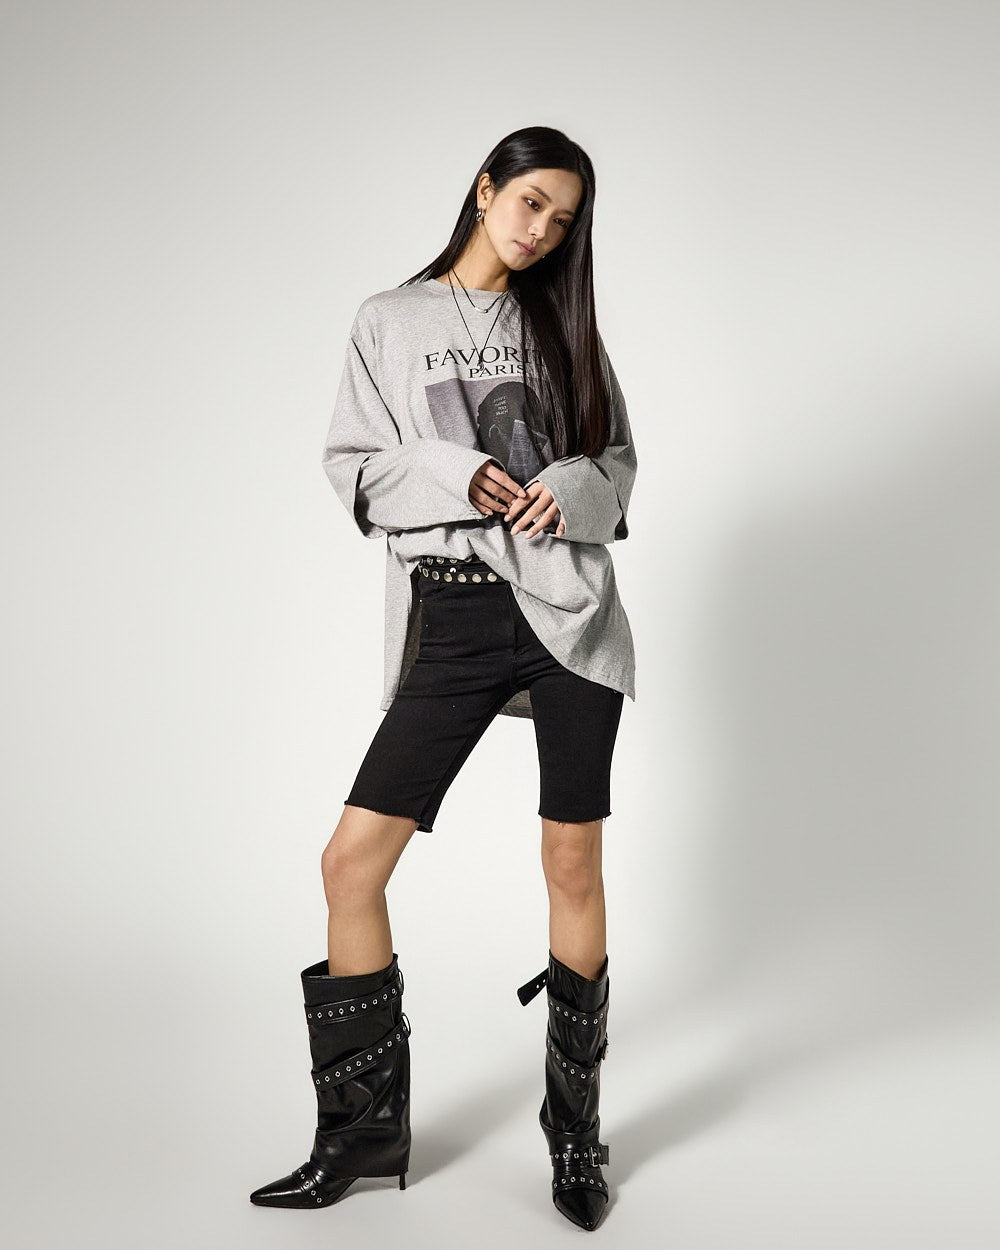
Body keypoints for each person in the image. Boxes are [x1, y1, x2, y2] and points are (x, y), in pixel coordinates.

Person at [250, 125, 637, 1233]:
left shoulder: (565, 329)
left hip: (567, 615)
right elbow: (355, 470)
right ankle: (363, 1132)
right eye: (530, 202)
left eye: (563, 219)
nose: (541, 230)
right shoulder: (390, 319)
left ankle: (574, 1131)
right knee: (350, 863)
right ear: (484, 189)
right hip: (454, 615)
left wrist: (570, 486)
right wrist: (454, 472)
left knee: (571, 857)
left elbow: (619, 469)